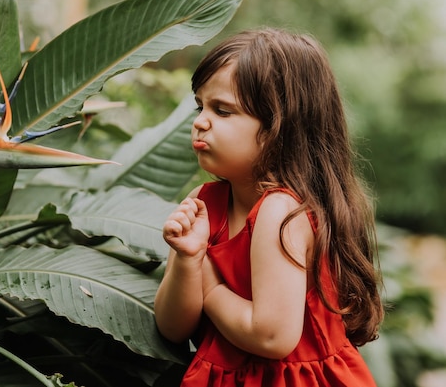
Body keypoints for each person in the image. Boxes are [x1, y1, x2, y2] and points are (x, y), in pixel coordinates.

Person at [154, 27, 384, 386]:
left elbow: (272, 337)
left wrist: (211, 288)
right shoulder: (205, 204)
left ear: (281, 126)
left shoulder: (281, 211)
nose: (200, 121)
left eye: (223, 110)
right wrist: (187, 260)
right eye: (201, 106)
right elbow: (172, 327)